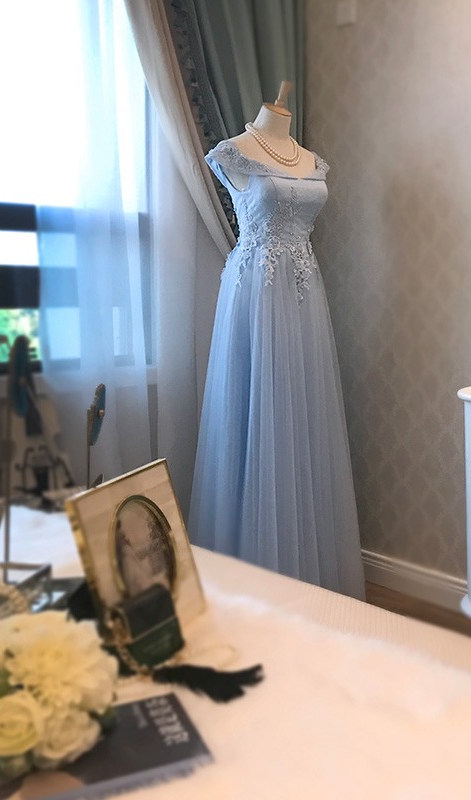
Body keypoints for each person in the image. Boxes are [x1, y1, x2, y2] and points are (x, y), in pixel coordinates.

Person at [189, 82, 365, 599]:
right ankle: (250, 570)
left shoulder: (311, 160)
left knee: (300, 416)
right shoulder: (231, 154)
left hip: (304, 298)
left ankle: (307, 569)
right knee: (254, 412)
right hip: (255, 297)